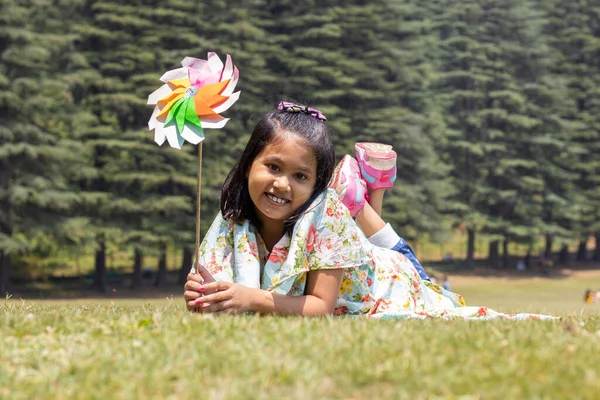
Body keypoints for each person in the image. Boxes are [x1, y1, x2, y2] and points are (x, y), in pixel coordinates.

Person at [183, 101, 553, 320]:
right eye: (273, 167)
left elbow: (319, 307)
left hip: (391, 281)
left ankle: (360, 202)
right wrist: (204, 293)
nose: (282, 184)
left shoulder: (323, 215)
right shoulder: (232, 215)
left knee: (445, 301)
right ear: (249, 163)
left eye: (300, 176)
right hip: (363, 255)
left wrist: (250, 298)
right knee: (372, 243)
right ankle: (365, 198)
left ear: (316, 186)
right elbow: (219, 285)